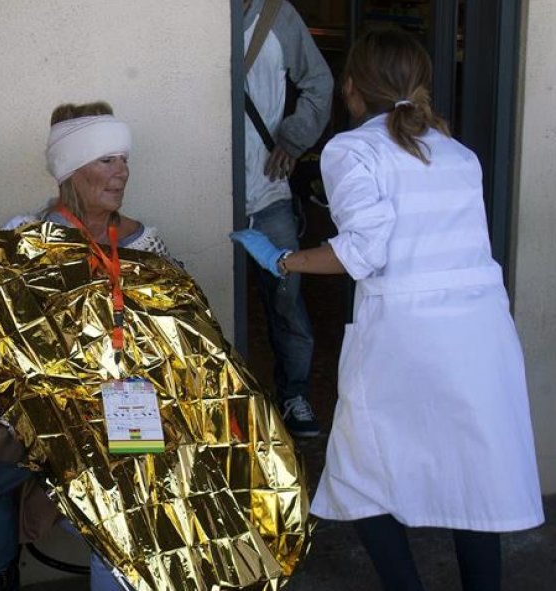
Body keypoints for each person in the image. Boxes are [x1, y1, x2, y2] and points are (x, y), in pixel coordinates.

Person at [231, 28, 543, 591]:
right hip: (481, 332)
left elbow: (362, 253)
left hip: (407, 334)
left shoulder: (350, 149)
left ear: (351, 88)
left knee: (358, 472)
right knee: (473, 475)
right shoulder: (457, 151)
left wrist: (286, 262)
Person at [0, 101, 174, 591]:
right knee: (123, 514)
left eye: (124, 159)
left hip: (142, 422)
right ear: (71, 171)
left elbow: (184, 347)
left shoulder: (146, 245)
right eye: (106, 160)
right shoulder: (24, 244)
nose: (122, 172)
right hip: (58, 425)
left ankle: (59, 497)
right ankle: (56, 489)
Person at [240, 0, 333, 437]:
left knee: (286, 300)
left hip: (268, 193)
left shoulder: (277, 14)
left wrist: (293, 139)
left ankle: (293, 393)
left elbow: (319, 82)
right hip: (210, 186)